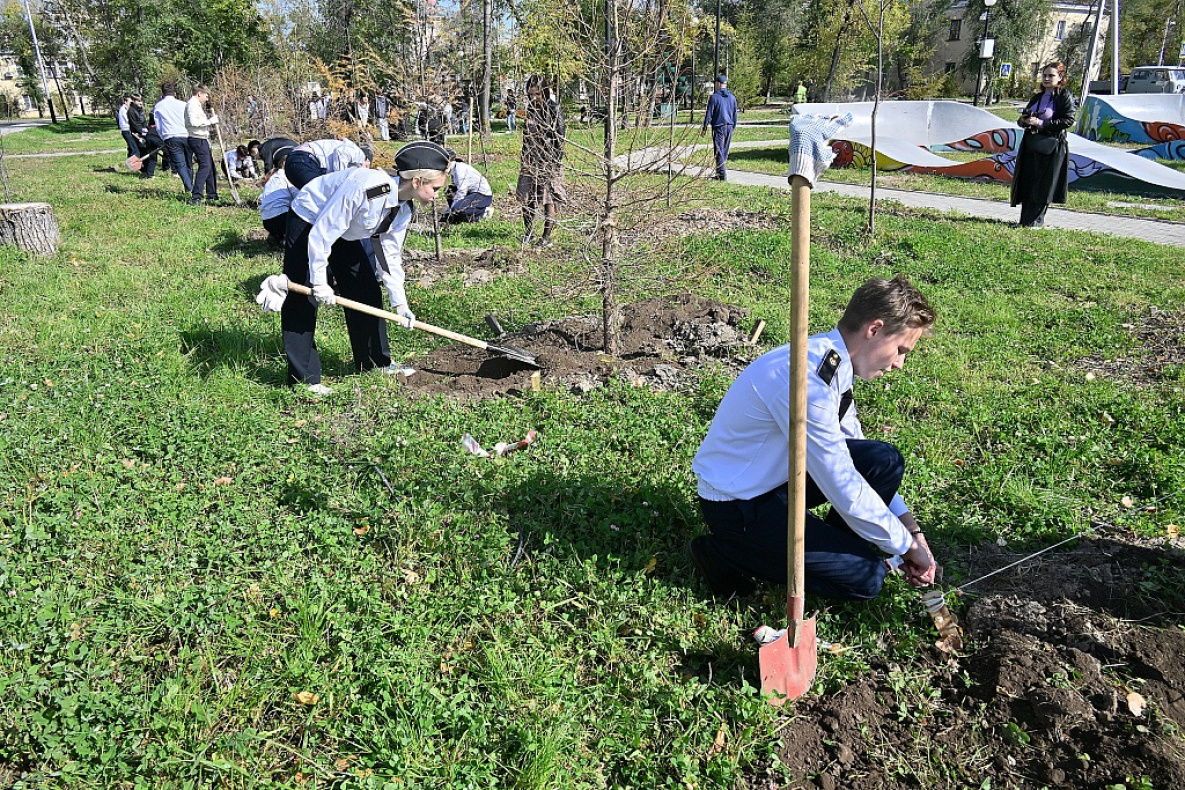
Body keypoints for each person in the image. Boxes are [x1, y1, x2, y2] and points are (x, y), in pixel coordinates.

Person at [689, 275, 938, 601]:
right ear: (874, 329)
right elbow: (842, 482)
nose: (899, 364)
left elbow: (856, 456)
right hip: (739, 507)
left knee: (882, 460)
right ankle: (723, 552)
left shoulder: (831, 362)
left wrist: (910, 531)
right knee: (868, 578)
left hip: (776, 484)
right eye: (900, 349)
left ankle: (830, 549)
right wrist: (904, 547)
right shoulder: (806, 382)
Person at [280, 141, 451, 395]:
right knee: (303, 294)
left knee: (365, 288)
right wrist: (319, 282)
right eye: (435, 188)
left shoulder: (403, 208)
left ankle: (374, 362)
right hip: (311, 218)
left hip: (345, 230)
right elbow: (322, 233)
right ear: (417, 181)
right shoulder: (369, 189)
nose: (438, 195)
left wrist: (400, 303)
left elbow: (389, 256)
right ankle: (304, 379)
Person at [1011, 61, 1076, 229]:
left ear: (1060, 77)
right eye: (1045, 75)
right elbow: (1022, 119)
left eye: (1051, 75)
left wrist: (1042, 123)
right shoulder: (1037, 97)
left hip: (1051, 146)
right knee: (1028, 182)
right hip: (1031, 144)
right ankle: (1025, 221)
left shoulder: (1064, 96)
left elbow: (1069, 120)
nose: (1047, 78)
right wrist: (1025, 121)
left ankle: (1036, 222)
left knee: (1043, 185)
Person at [516, 75, 565, 247]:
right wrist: (525, 156)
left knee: (548, 199)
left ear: (544, 92)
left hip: (548, 160)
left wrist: (553, 163)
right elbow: (527, 135)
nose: (533, 98)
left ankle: (546, 237)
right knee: (526, 197)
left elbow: (559, 139)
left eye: (537, 94)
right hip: (530, 159)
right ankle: (528, 232)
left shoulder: (554, 109)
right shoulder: (530, 108)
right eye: (530, 94)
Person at [152, 82, 194, 194]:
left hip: (171, 137)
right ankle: (191, 186)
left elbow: (158, 126)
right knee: (189, 163)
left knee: (180, 164)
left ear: (162, 93)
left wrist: (163, 137)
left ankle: (189, 187)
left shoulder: (158, 106)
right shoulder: (183, 104)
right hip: (186, 135)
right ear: (174, 93)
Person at [284, 138, 371, 189]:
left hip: (294, 161)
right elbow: (341, 153)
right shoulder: (359, 154)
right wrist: (340, 180)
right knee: (319, 195)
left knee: (309, 199)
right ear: (367, 161)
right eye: (367, 166)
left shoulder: (346, 151)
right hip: (304, 159)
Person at [185, 84, 221, 205]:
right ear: (199, 94)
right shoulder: (192, 105)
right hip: (197, 139)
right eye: (206, 96)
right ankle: (196, 197)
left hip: (202, 139)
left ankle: (212, 194)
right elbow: (193, 122)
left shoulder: (197, 105)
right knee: (205, 167)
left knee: (210, 167)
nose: (207, 99)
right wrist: (210, 121)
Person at [700, 74, 738, 181]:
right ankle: (719, 172)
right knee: (724, 150)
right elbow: (735, 115)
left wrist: (704, 128)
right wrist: (733, 127)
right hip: (729, 126)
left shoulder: (714, 97)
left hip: (719, 126)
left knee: (719, 151)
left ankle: (722, 174)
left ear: (718, 84)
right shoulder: (732, 98)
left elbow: (709, 114)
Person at [260, 148, 296, 248]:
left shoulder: (272, 178)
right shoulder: (288, 177)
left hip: (266, 220)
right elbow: (298, 196)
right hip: (282, 217)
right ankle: (287, 241)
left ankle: (276, 237)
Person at [442, 153, 493, 223]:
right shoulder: (454, 169)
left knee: (458, 209)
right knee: (449, 191)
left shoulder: (459, 171)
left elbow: (461, 192)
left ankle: (482, 213)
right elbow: (456, 191)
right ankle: (452, 216)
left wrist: (452, 208)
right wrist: (447, 209)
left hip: (483, 195)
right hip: (471, 193)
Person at [117, 94, 137, 159]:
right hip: (126, 130)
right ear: (125, 102)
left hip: (127, 130)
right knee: (134, 148)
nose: (131, 104)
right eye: (130, 102)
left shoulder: (125, 109)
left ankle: (128, 162)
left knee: (131, 148)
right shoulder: (123, 110)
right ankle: (132, 163)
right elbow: (128, 120)